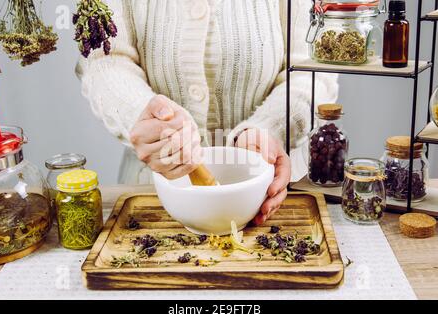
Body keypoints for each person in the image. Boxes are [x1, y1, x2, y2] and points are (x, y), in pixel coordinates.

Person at [76, 0, 338, 225]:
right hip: (154, 192)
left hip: (267, 190)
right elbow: (104, 60)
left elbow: (314, 68)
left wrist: (271, 129)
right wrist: (141, 115)